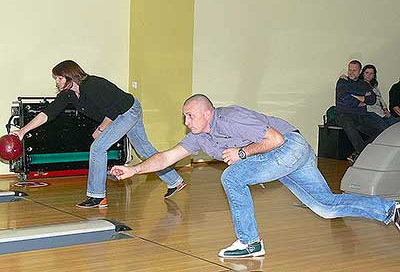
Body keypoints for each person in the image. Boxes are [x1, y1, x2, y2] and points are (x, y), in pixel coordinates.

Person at [110, 94, 400, 258]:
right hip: (283, 156)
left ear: (208, 113)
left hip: (289, 146)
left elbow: (275, 139)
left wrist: (242, 153)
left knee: (232, 177)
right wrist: (133, 169)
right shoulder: (200, 137)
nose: (186, 121)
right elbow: (167, 157)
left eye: (190, 115)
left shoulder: (233, 117)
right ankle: (391, 209)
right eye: (184, 116)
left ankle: (250, 243)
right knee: (326, 207)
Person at [12, 60, 186, 208]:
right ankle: (175, 181)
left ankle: (97, 196)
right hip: (126, 111)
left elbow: (113, 112)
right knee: (144, 149)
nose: (56, 82)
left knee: (97, 148)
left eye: (59, 78)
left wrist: (101, 129)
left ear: (70, 77)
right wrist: (23, 131)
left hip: (127, 111)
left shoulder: (93, 85)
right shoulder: (68, 94)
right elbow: (49, 112)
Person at [335, 60, 386, 162]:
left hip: (361, 115)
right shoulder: (342, 82)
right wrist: (363, 99)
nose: (351, 72)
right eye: (350, 70)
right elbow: (345, 100)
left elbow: (372, 100)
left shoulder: (364, 84)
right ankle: (363, 156)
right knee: (349, 126)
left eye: (354, 70)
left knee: (381, 131)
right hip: (344, 114)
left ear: (360, 72)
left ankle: (361, 152)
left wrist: (355, 96)